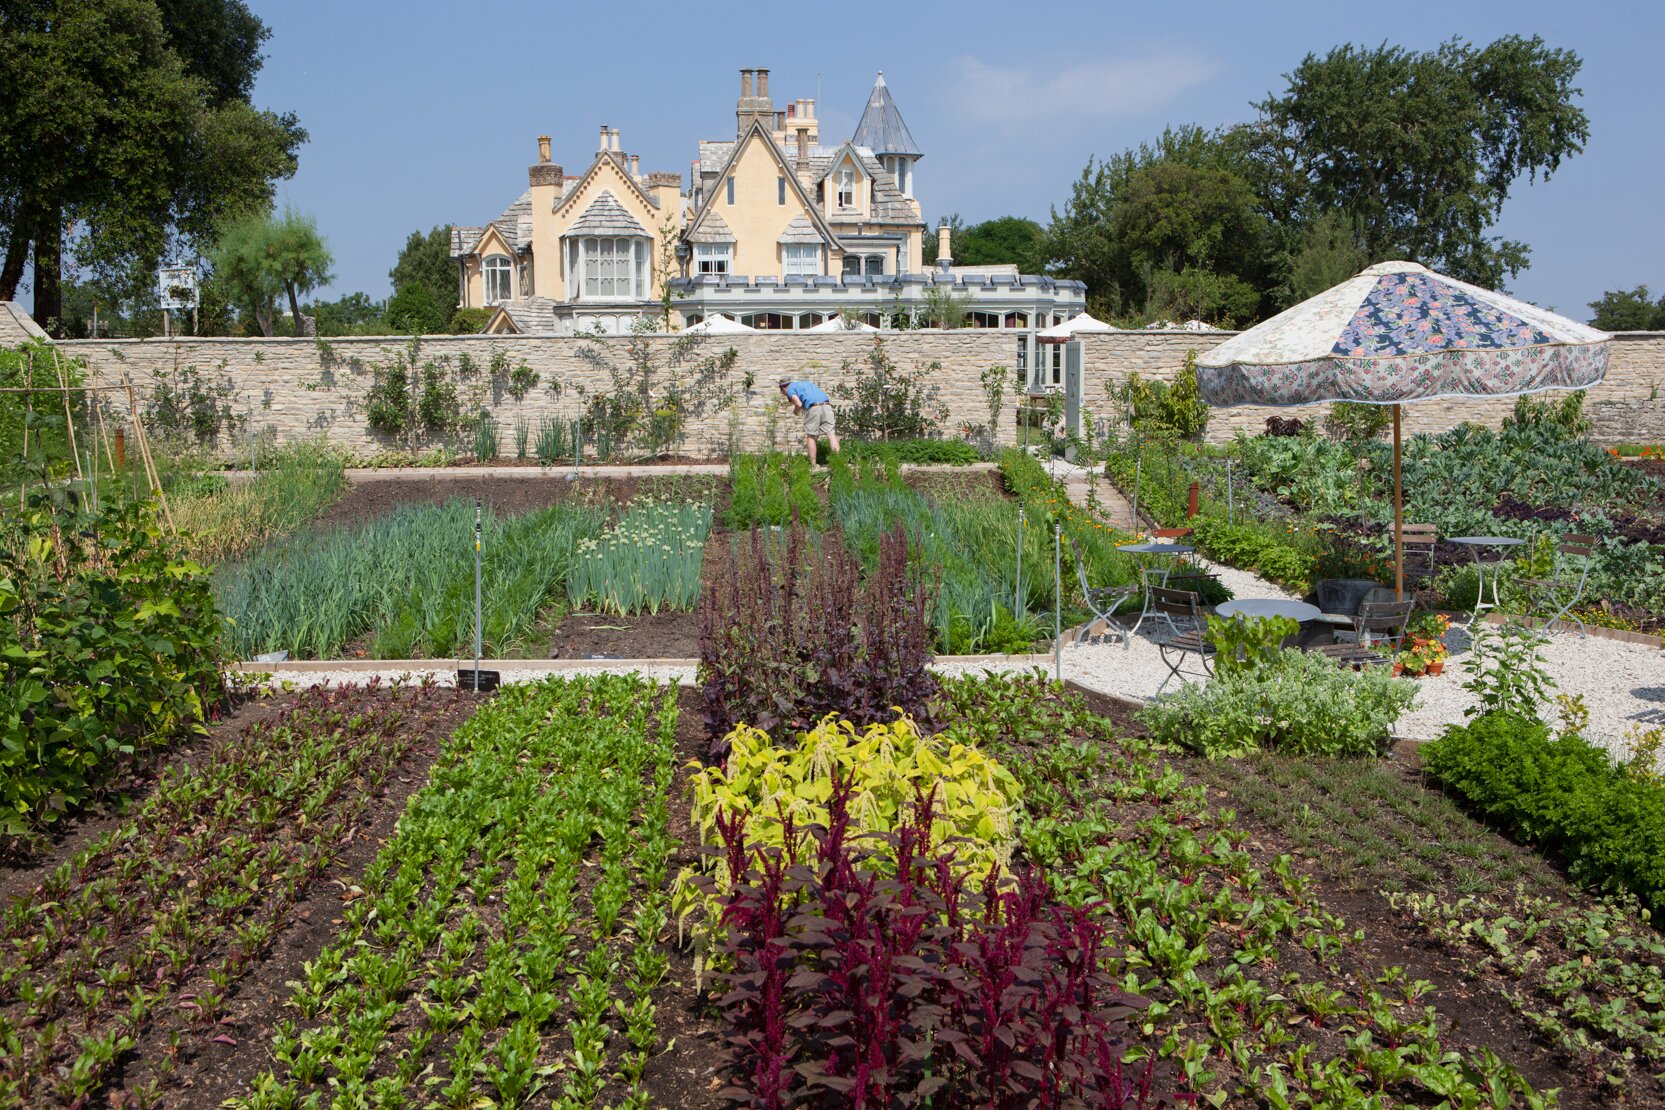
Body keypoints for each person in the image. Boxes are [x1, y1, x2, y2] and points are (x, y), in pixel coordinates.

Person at [777, 377, 840, 464]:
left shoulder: (789, 389)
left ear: (783, 388)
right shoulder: (804, 384)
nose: (783, 394)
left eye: (782, 392)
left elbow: (799, 403)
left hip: (814, 407)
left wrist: (795, 411)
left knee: (811, 436)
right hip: (827, 406)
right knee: (831, 434)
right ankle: (839, 462)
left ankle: (813, 465)